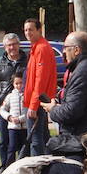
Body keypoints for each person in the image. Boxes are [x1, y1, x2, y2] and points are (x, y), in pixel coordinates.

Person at [0, 33, 26, 170]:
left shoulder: (27, 61)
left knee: (23, 140)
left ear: (19, 44)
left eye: (14, 44)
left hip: (23, 107)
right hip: (6, 109)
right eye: (9, 45)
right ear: (5, 47)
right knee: (5, 141)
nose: (12, 47)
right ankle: (5, 167)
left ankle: (22, 167)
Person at [22, 18, 58, 156]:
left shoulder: (41, 49)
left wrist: (33, 104)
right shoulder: (38, 47)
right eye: (25, 30)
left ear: (39, 30)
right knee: (43, 137)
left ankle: (37, 172)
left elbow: (40, 79)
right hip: (39, 100)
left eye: (31, 29)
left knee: (36, 140)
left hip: (37, 101)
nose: (27, 33)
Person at [0, 74, 29, 165]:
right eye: (16, 83)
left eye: (21, 83)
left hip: (25, 127)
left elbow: (28, 111)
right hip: (13, 127)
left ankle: (23, 166)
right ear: (13, 84)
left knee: (24, 149)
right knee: (12, 148)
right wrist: (10, 117)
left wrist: (20, 119)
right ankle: (9, 167)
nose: (19, 85)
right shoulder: (9, 96)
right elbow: (2, 109)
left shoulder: (27, 95)